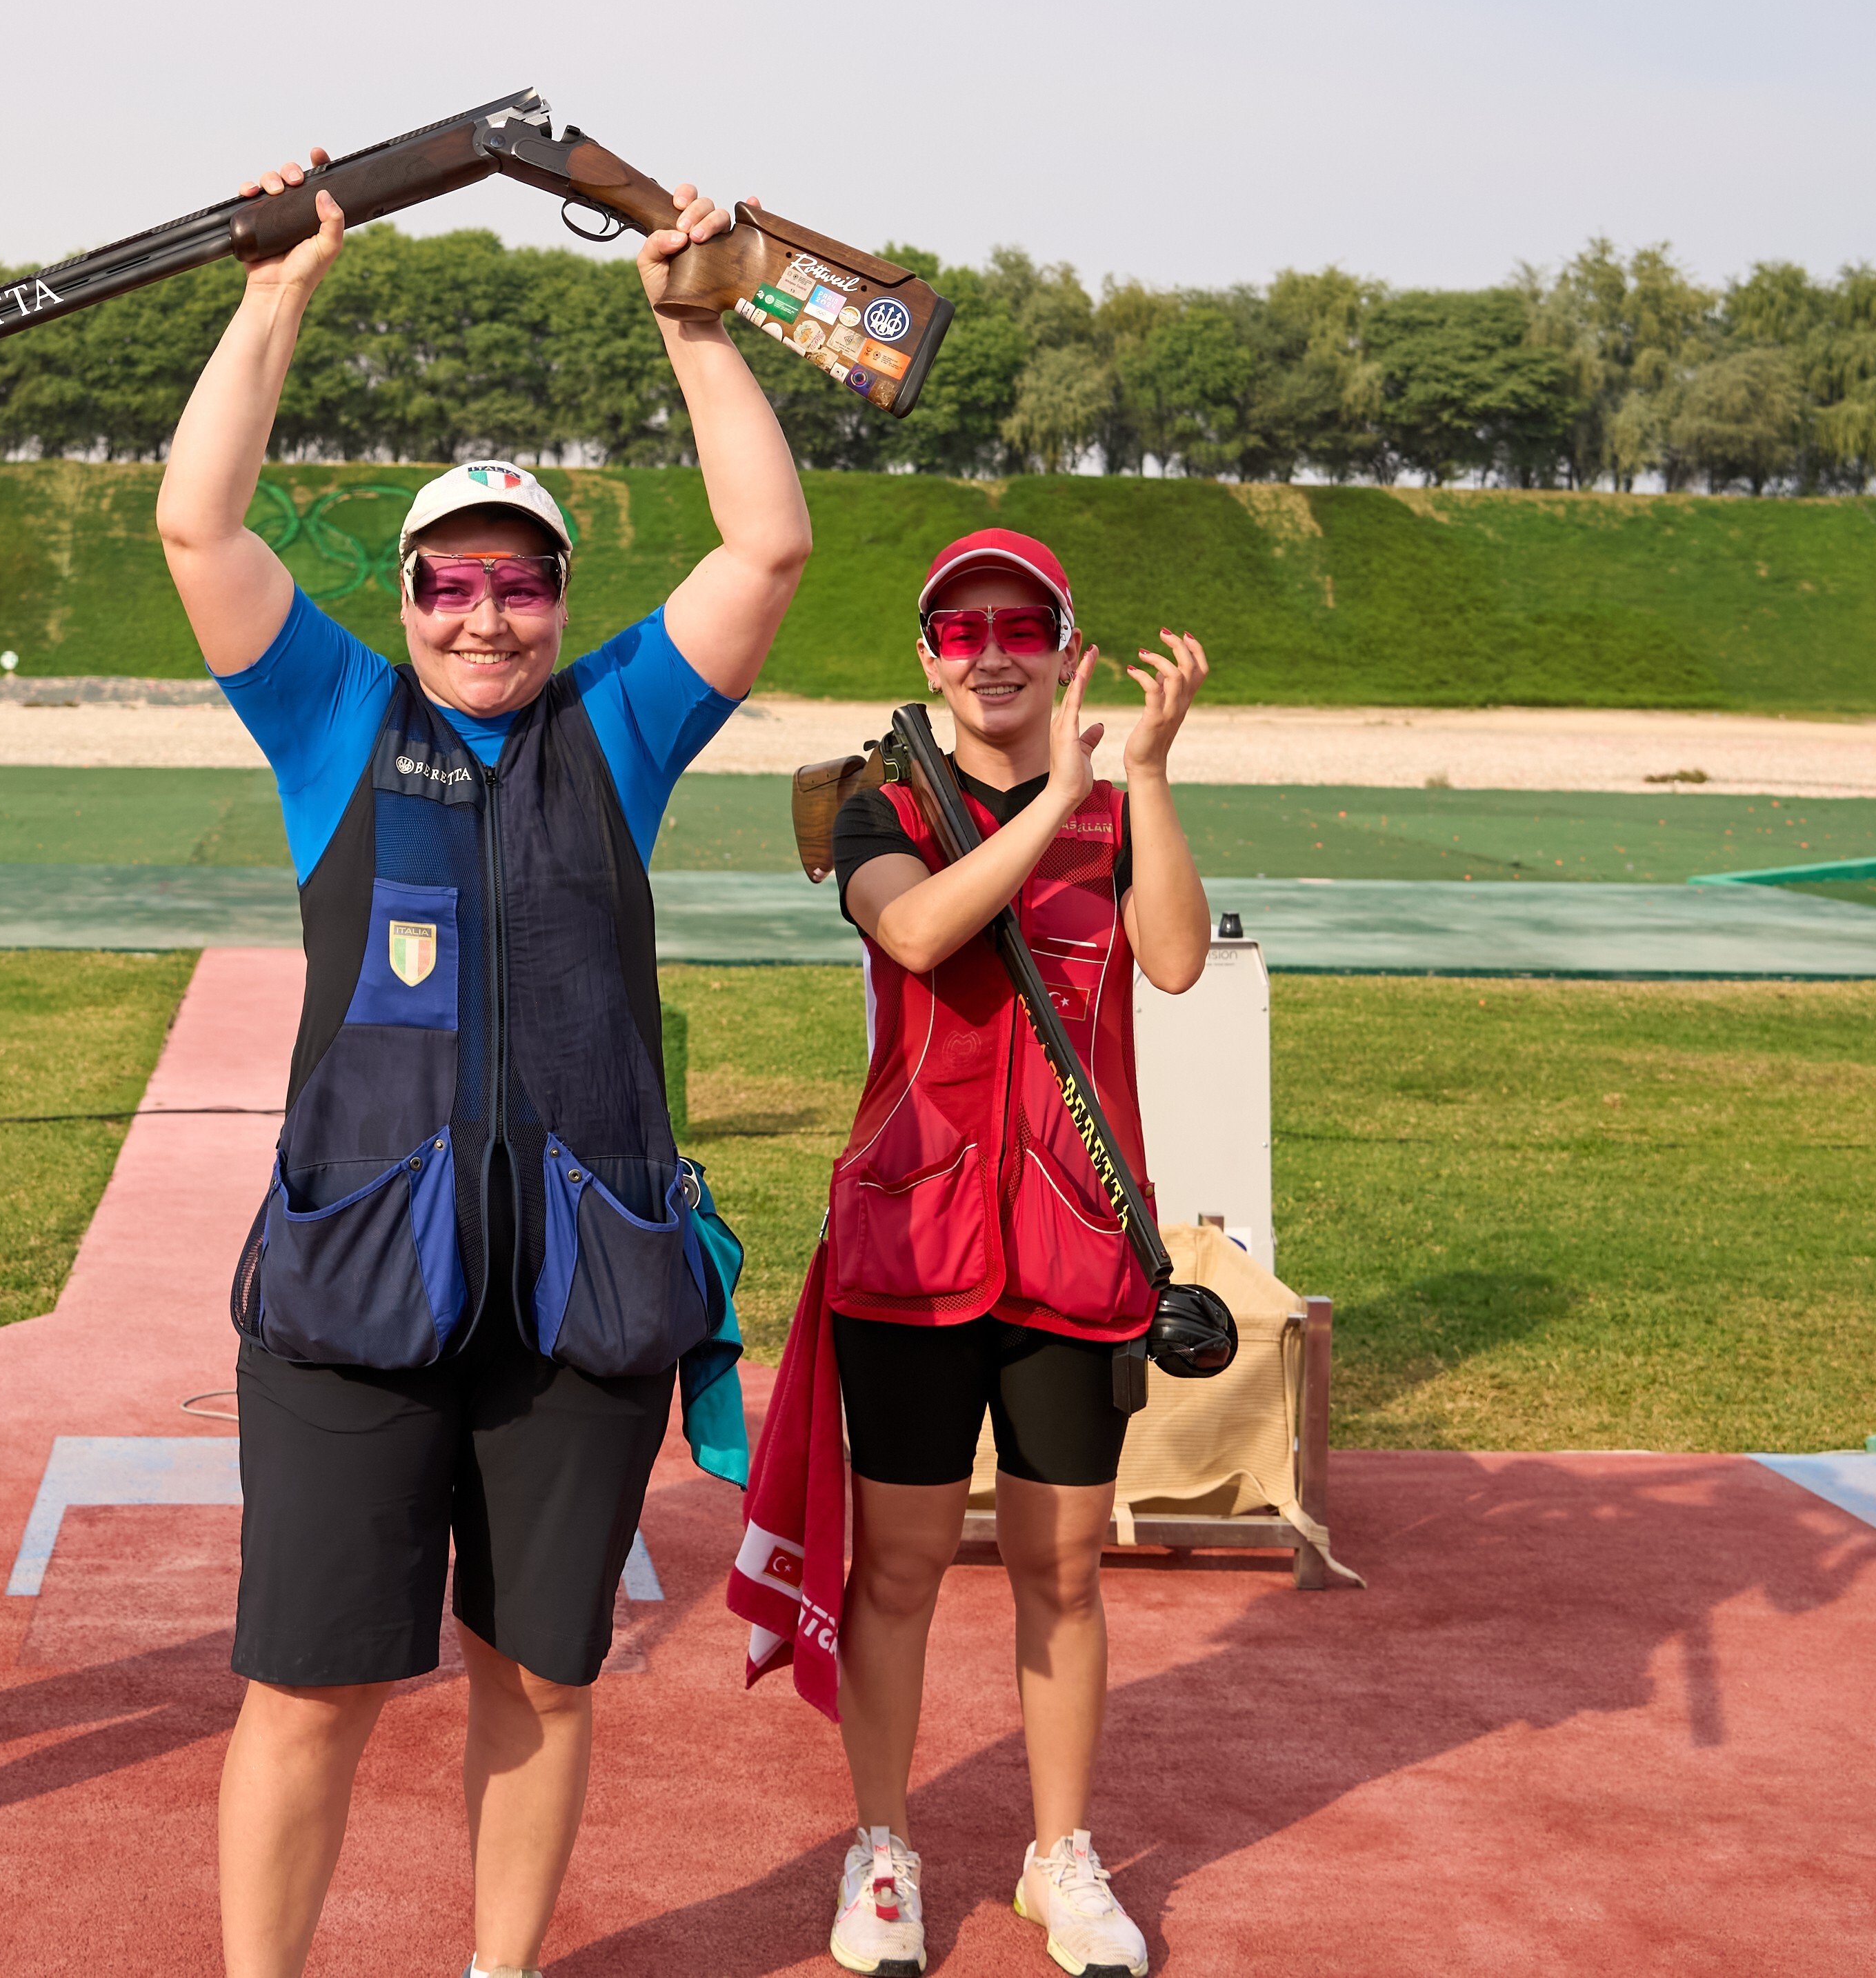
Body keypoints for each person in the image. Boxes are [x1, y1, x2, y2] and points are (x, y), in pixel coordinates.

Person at [157, 152, 810, 1978]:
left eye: (520, 586)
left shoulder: (620, 725)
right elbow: (199, 535)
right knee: (307, 1692)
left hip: (578, 1308)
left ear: (557, 599)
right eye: (447, 582)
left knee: (540, 1676)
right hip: (351, 1302)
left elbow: (762, 547)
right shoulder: (334, 720)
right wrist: (275, 291)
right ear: (409, 590)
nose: (481, 616)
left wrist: (697, 329)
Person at [815, 528, 1210, 1978]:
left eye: (1017, 625)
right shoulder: (877, 802)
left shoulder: (1121, 807)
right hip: (912, 1241)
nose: (989, 650)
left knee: (1062, 1566)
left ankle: (1059, 1856)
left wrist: (1142, 781)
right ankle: (882, 1848)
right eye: (961, 628)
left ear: (1062, 645)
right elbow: (917, 932)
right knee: (902, 1562)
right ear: (928, 655)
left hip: (1073, 1242)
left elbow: (1169, 959)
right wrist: (1055, 802)